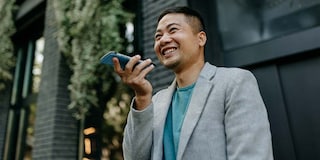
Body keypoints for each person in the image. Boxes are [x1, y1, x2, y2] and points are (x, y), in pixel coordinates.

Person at [112, 6, 274, 160]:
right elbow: (134, 157)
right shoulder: (155, 102)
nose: (164, 40)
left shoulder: (234, 82)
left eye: (173, 30)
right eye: (158, 36)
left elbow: (252, 155)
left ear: (201, 38)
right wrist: (142, 97)